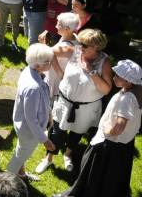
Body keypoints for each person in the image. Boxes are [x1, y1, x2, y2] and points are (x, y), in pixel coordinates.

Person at [53, 59, 142, 197]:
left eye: (118, 76)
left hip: (109, 143)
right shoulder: (140, 88)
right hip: (124, 144)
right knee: (111, 177)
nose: (113, 77)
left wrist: (106, 132)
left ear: (128, 80)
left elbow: (118, 127)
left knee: (90, 171)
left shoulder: (126, 100)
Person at [35, 29, 112, 174]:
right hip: (64, 102)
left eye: (84, 45)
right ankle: (48, 158)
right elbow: (49, 52)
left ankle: (67, 155)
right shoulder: (74, 51)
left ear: (96, 47)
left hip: (86, 108)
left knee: (77, 133)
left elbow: (106, 89)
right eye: (80, 43)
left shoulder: (104, 62)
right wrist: (58, 71)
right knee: (57, 132)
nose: (80, 46)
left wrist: (91, 71)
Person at [5, 44, 56, 181]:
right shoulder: (33, 88)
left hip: (22, 125)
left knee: (21, 152)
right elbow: (31, 118)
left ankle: (21, 174)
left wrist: (49, 113)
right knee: (20, 156)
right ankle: (4, 182)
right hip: (29, 131)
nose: (51, 63)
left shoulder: (29, 70)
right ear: (38, 65)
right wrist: (44, 140)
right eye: (48, 61)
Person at [40, 13, 80, 101]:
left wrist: (42, 44)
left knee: (49, 102)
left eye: (59, 24)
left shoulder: (64, 47)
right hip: (61, 76)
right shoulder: (75, 37)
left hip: (56, 79)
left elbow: (46, 53)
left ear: (67, 29)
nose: (56, 26)